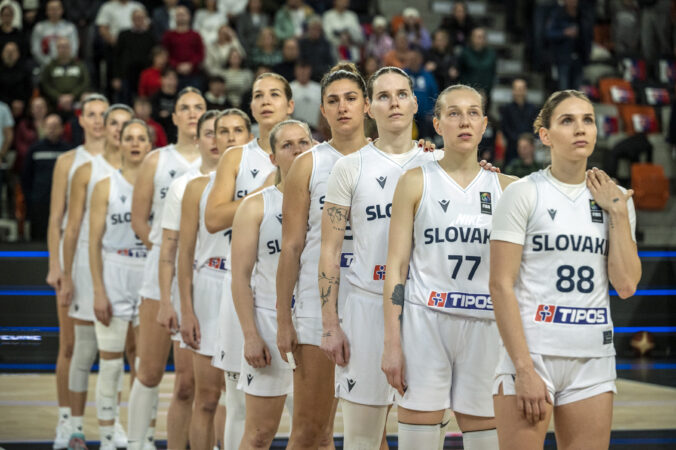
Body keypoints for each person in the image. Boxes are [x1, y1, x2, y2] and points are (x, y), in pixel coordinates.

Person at [490, 90, 641, 449]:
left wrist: (618, 213)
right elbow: (500, 285)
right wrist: (523, 368)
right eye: (567, 120)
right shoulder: (524, 193)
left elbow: (626, 285)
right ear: (545, 135)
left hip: (592, 355)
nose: (580, 129)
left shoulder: (616, 198)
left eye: (588, 120)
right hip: (532, 352)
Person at [382, 85, 514, 450]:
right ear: (437, 124)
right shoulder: (414, 181)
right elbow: (396, 267)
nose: (464, 121)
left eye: (473, 112)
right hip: (425, 325)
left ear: (485, 123)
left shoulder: (509, 188)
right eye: (453, 113)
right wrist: (392, 342)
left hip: (486, 328)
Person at [317, 66, 437, 449]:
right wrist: (330, 323)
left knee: (423, 439)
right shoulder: (349, 167)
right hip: (366, 308)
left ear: (415, 103)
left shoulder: (441, 163)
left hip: (424, 310)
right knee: (361, 441)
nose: (394, 103)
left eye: (402, 94)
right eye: (383, 96)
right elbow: (330, 250)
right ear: (370, 108)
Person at [276, 62, 367, 449]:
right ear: (323, 111)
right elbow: (292, 248)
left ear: (367, 105)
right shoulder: (308, 164)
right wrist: (283, 319)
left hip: (373, 304)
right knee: (311, 432)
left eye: (351, 98)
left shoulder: (403, 163)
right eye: (333, 100)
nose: (342, 107)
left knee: (371, 435)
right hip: (316, 307)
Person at [205, 72, 293, 450]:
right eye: (259, 95)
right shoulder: (236, 157)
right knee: (239, 399)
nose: (266, 100)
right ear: (252, 106)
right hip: (246, 287)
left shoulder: (310, 151)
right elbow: (213, 218)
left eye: (275, 94)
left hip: (295, 290)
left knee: (303, 405)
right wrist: (264, 194)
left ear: (291, 104)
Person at [127, 87, 205, 450]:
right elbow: (140, 220)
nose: (192, 113)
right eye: (185, 108)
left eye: (199, 108)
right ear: (173, 117)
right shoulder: (157, 160)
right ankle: (137, 442)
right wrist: (167, 256)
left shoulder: (222, 165)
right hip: (160, 275)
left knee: (190, 383)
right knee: (149, 371)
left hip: (202, 277)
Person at [231, 119, 311, 448]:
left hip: (314, 322)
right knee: (260, 434)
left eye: (303, 143)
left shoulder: (330, 199)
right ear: (273, 157)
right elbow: (239, 277)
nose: (297, 151)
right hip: (267, 321)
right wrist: (250, 335)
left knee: (317, 436)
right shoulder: (255, 205)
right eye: (287, 145)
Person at [178, 108, 253, 450]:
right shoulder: (196, 187)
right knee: (206, 398)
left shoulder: (267, 179)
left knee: (243, 400)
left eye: (239, 130)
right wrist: (186, 310)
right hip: (209, 285)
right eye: (223, 131)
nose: (230, 137)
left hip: (250, 287)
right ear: (213, 138)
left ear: (248, 137)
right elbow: (184, 252)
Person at [60, 103, 133, 449]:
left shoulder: (140, 169)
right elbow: (72, 227)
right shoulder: (86, 170)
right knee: (83, 350)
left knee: (115, 353)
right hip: (87, 268)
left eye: (124, 124)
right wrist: (64, 272)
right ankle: (74, 428)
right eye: (113, 123)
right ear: (103, 127)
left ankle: (112, 423)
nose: (118, 129)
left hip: (119, 268)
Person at [44, 94, 107, 449]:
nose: (98, 121)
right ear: (80, 120)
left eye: (104, 115)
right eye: (92, 115)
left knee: (117, 348)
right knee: (69, 346)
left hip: (107, 261)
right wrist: (56, 264)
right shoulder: (68, 161)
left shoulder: (123, 160)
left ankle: (110, 424)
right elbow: (55, 219)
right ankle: (66, 422)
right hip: (74, 259)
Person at [156, 109, 221, 450]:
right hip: (195, 292)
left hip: (235, 294)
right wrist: (169, 302)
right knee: (187, 386)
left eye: (221, 132)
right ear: (197, 140)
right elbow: (169, 249)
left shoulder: (249, 180)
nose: (216, 139)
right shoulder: (183, 186)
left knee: (225, 398)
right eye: (208, 133)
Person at [88, 119, 152, 450]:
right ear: (120, 143)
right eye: (129, 138)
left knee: (146, 365)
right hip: (114, 270)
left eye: (142, 138)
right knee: (111, 362)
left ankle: (144, 437)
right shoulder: (104, 185)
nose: (135, 143)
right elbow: (93, 242)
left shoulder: (160, 185)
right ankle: (109, 437)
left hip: (149, 272)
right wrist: (98, 290)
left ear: (151, 144)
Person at [21, 113, 70, 240]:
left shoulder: (69, 151)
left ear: (61, 128)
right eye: (48, 126)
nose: (52, 129)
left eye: (55, 126)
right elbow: (26, 176)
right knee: (38, 238)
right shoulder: (35, 149)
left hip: (63, 203)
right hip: (39, 201)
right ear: (43, 128)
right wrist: (30, 198)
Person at [39, 36, 90, 112]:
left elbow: (85, 82)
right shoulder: (50, 66)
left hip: (77, 100)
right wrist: (58, 96)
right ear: (56, 49)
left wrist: (73, 95)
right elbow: (45, 84)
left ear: (70, 48)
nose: (63, 49)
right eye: (60, 47)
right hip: (55, 102)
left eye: (66, 47)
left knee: (87, 97)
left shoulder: (79, 65)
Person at [499, 79, 538, 166]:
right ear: (513, 91)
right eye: (517, 89)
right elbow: (505, 128)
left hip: (529, 148)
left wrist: (527, 141)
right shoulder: (506, 109)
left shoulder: (533, 108)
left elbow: (535, 127)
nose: (519, 92)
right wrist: (519, 141)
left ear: (525, 90)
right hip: (512, 147)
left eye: (521, 89)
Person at [30, 0, 78, 67]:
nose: (54, 12)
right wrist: (49, 64)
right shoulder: (39, 28)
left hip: (66, 65)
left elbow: (74, 50)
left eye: (57, 9)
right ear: (46, 11)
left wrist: (64, 62)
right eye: (51, 9)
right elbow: (36, 50)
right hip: (45, 65)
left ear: (62, 10)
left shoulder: (70, 28)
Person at [290, 61, 321, 130]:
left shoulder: (318, 88)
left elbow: (322, 111)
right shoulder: (289, 88)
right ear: (295, 71)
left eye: (305, 70)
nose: (303, 73)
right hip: (295, 128)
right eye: (300, 70)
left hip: (315, 129)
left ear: (310, 71)